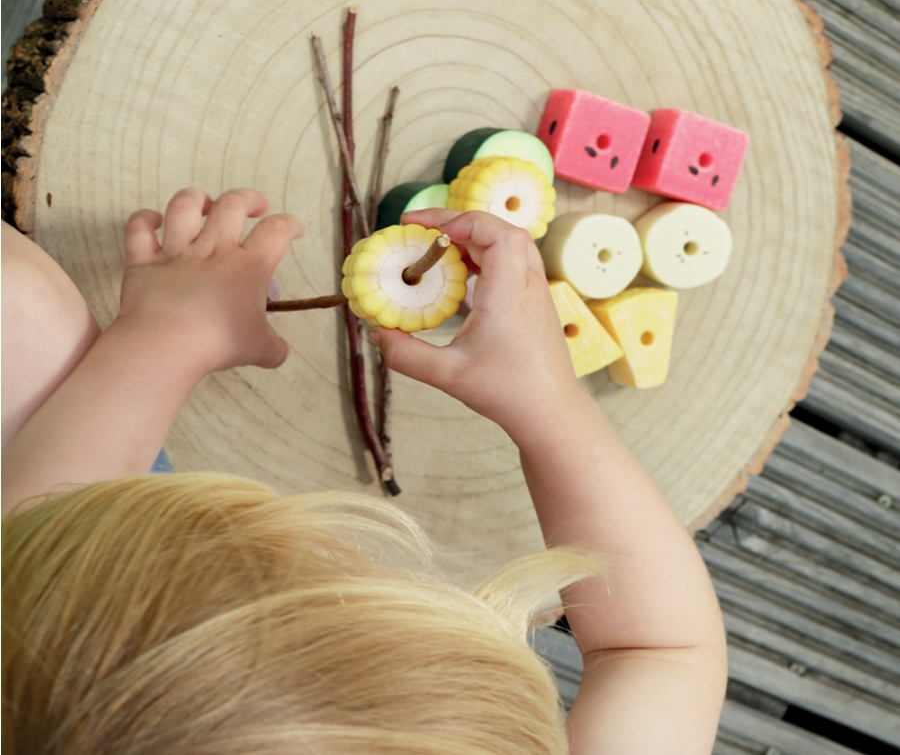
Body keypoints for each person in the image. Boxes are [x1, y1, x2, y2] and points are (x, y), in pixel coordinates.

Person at [1, 188, 727, 754]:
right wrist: (547, 405)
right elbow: (661, 647)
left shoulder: (36, 624)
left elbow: (35, 546)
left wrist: (163, 337)